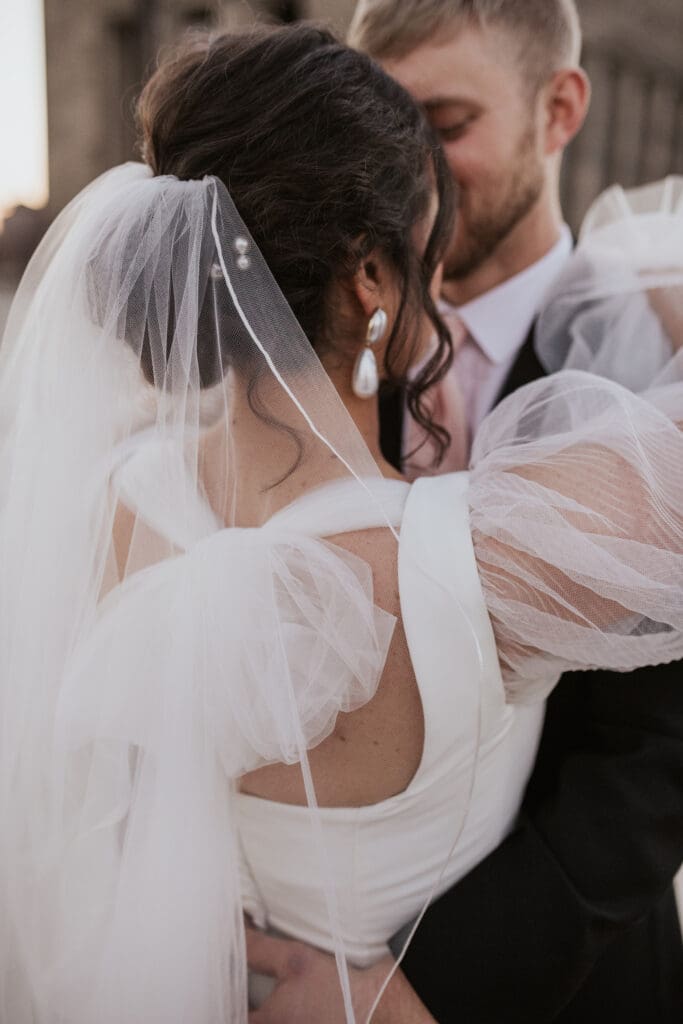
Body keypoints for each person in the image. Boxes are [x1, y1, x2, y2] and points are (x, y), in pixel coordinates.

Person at [1, 23, 682, 1024]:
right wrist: (658, 275)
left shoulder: (106, 502)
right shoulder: (484, 557)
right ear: (370, 277)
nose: (439, 265)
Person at [251, 3, 683, 1022]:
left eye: (442, 126)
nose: (409, 177)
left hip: (576, 981)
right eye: (380, 132)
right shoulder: (295, 347)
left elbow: (657, 753)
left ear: (558, 109)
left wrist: (423, 989)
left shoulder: (652, 348)